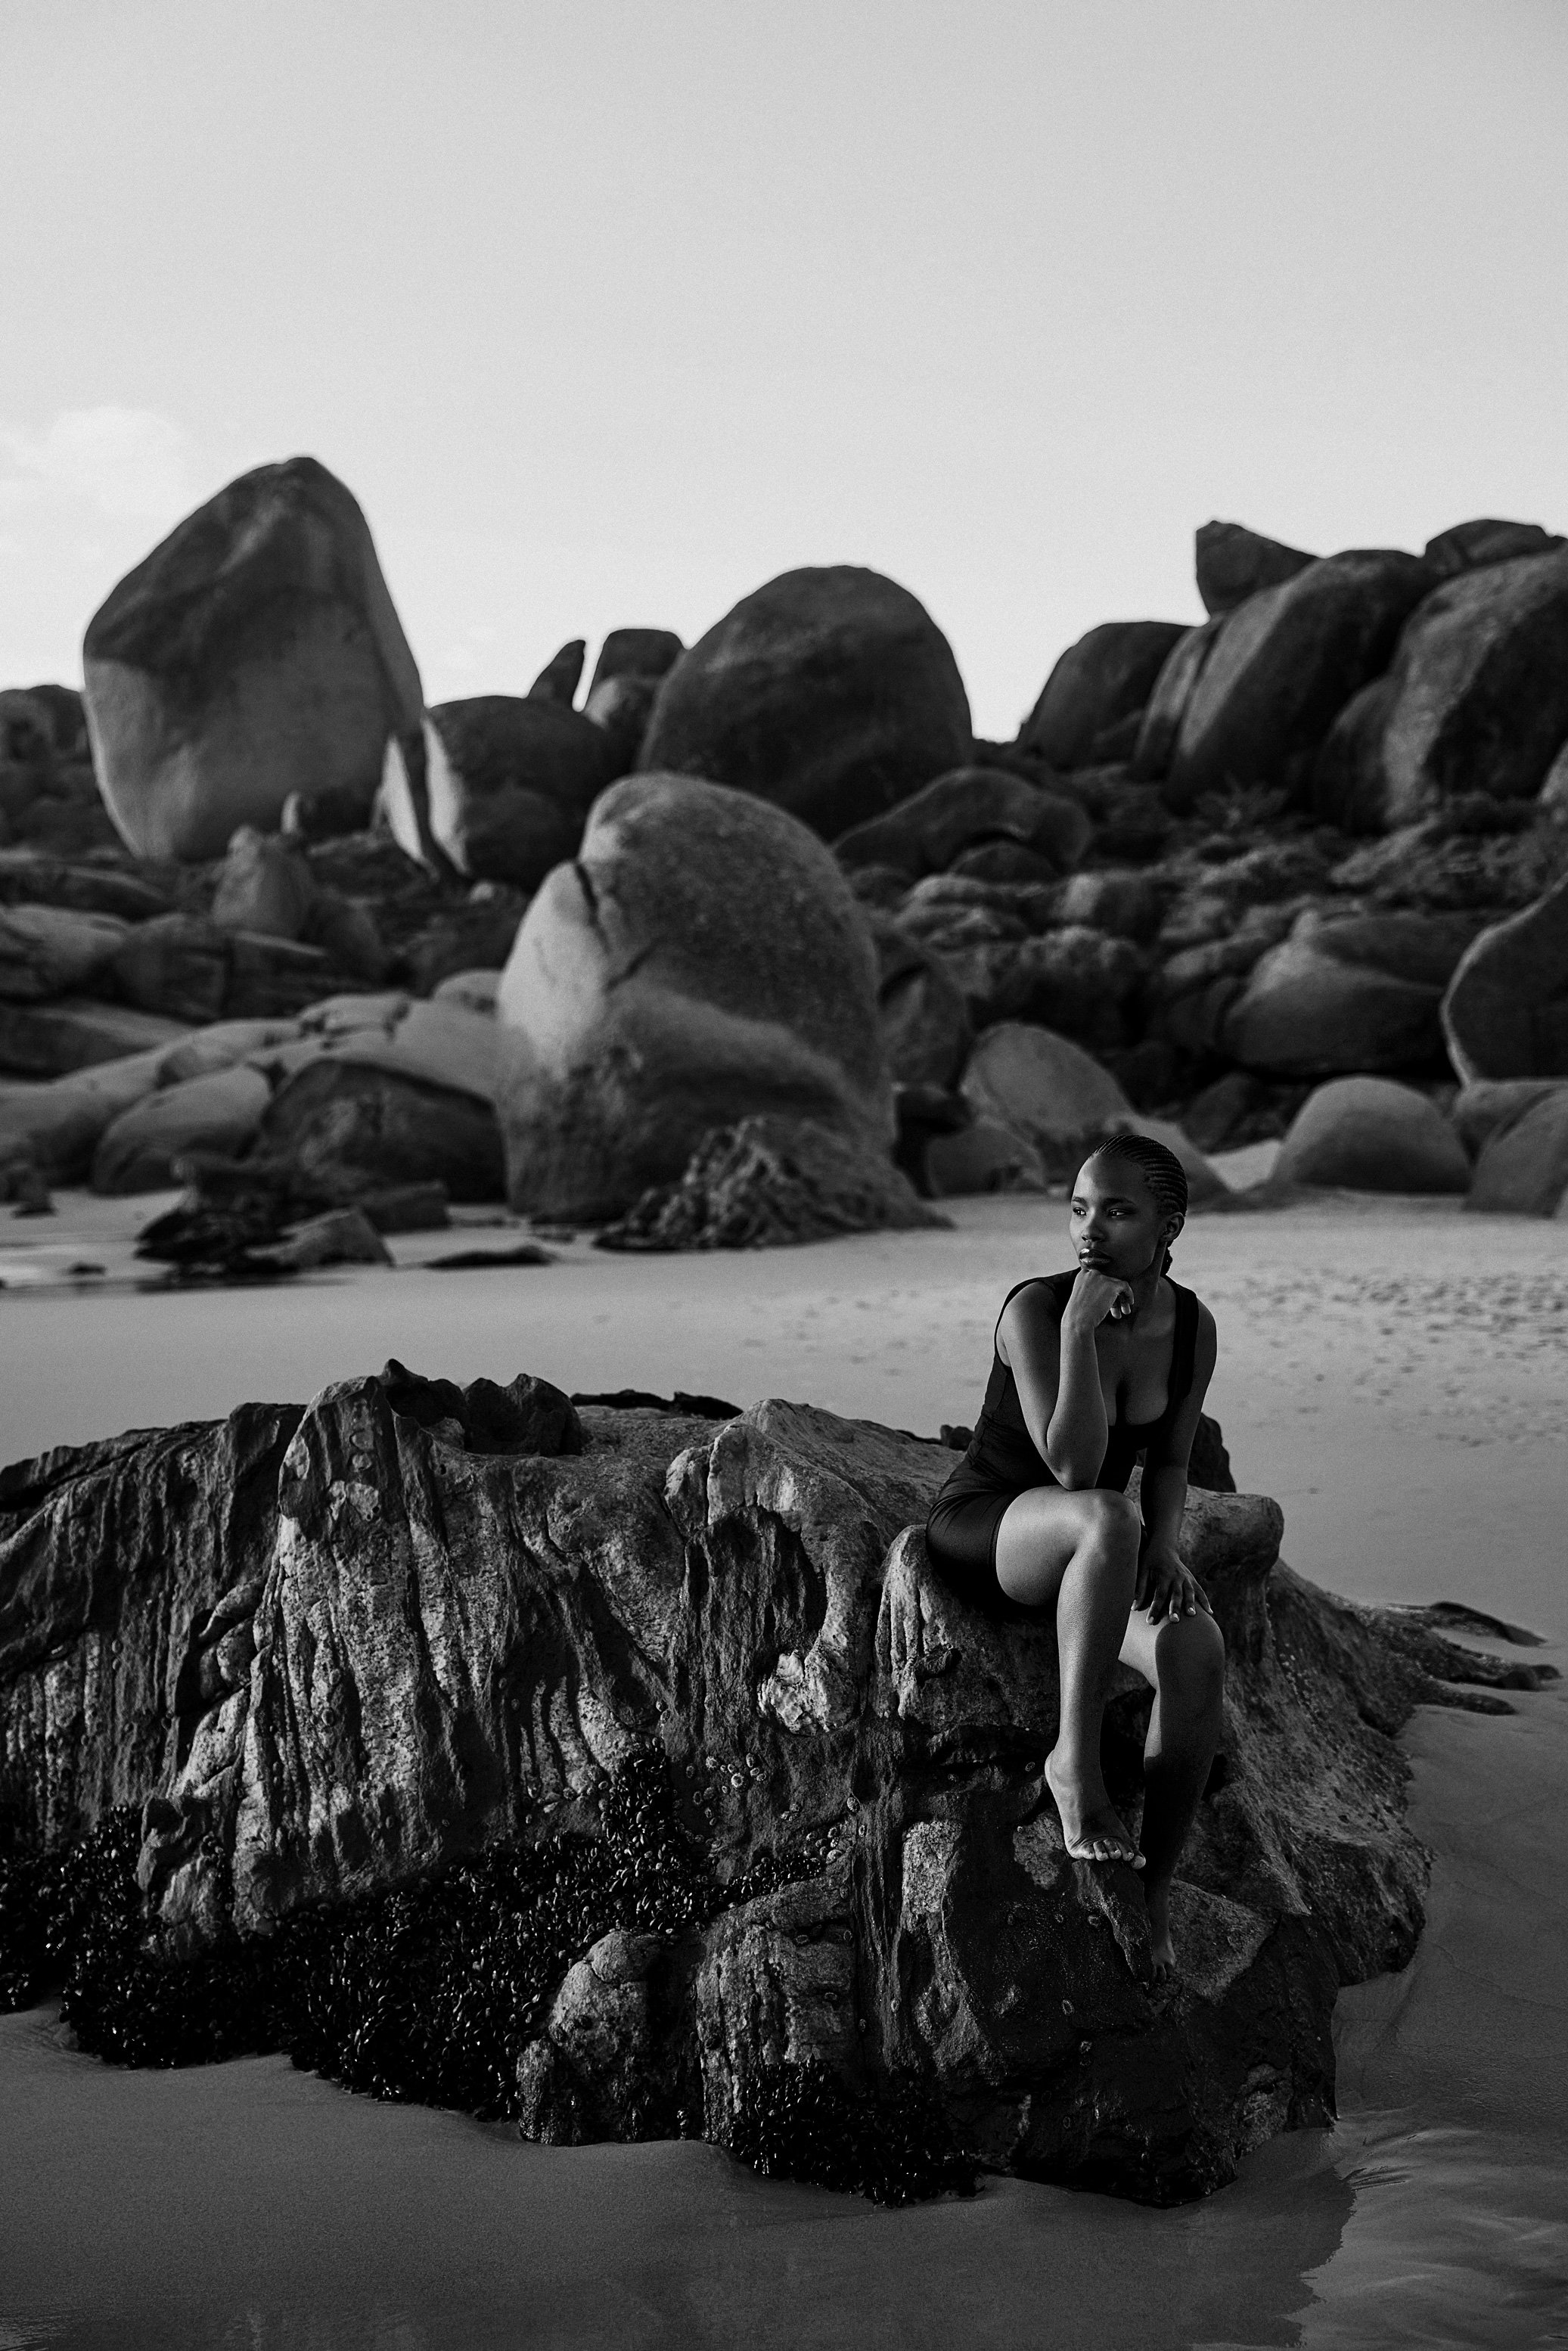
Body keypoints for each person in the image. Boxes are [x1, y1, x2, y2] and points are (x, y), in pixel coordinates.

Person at [924, 1133, 1225, 1977]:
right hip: (993, 1530)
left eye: (1119, 1212)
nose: (1091, 1230)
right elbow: (1073, 1467)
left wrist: (1166, 1547)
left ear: (1171, 1227)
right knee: (1103, 1517)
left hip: (1096, 1551)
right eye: (1079, 1209)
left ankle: (1155, 1892)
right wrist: (1078, 1329)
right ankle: (1074, 1760)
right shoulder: (1034, 1309)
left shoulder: (1192, 1326)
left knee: (1196, 1645)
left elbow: (1169, 1462)